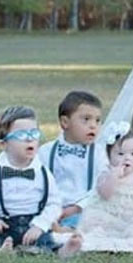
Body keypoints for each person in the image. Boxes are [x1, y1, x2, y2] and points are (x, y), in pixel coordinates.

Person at [0, 105, 81, 257]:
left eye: (34, 133)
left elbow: (54, 203)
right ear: (3, 144)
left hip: (33, 224)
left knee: (45, 238)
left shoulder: (43, 173)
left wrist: (40, 226)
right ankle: (3, 249)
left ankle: (61, 251)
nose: (30, 139)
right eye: (21, 135)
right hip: (4, 225)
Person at [38, 91, 107, 229]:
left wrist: (76, 208)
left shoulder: (100, 154)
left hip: (83, 209)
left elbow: (100, 188)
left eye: (97, 120)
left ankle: (65, 232)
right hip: (51, 208)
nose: (93, 125)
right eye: (86, 119)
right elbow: (38, 183)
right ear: (65, 122)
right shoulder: (46, 152)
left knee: (92, 220)